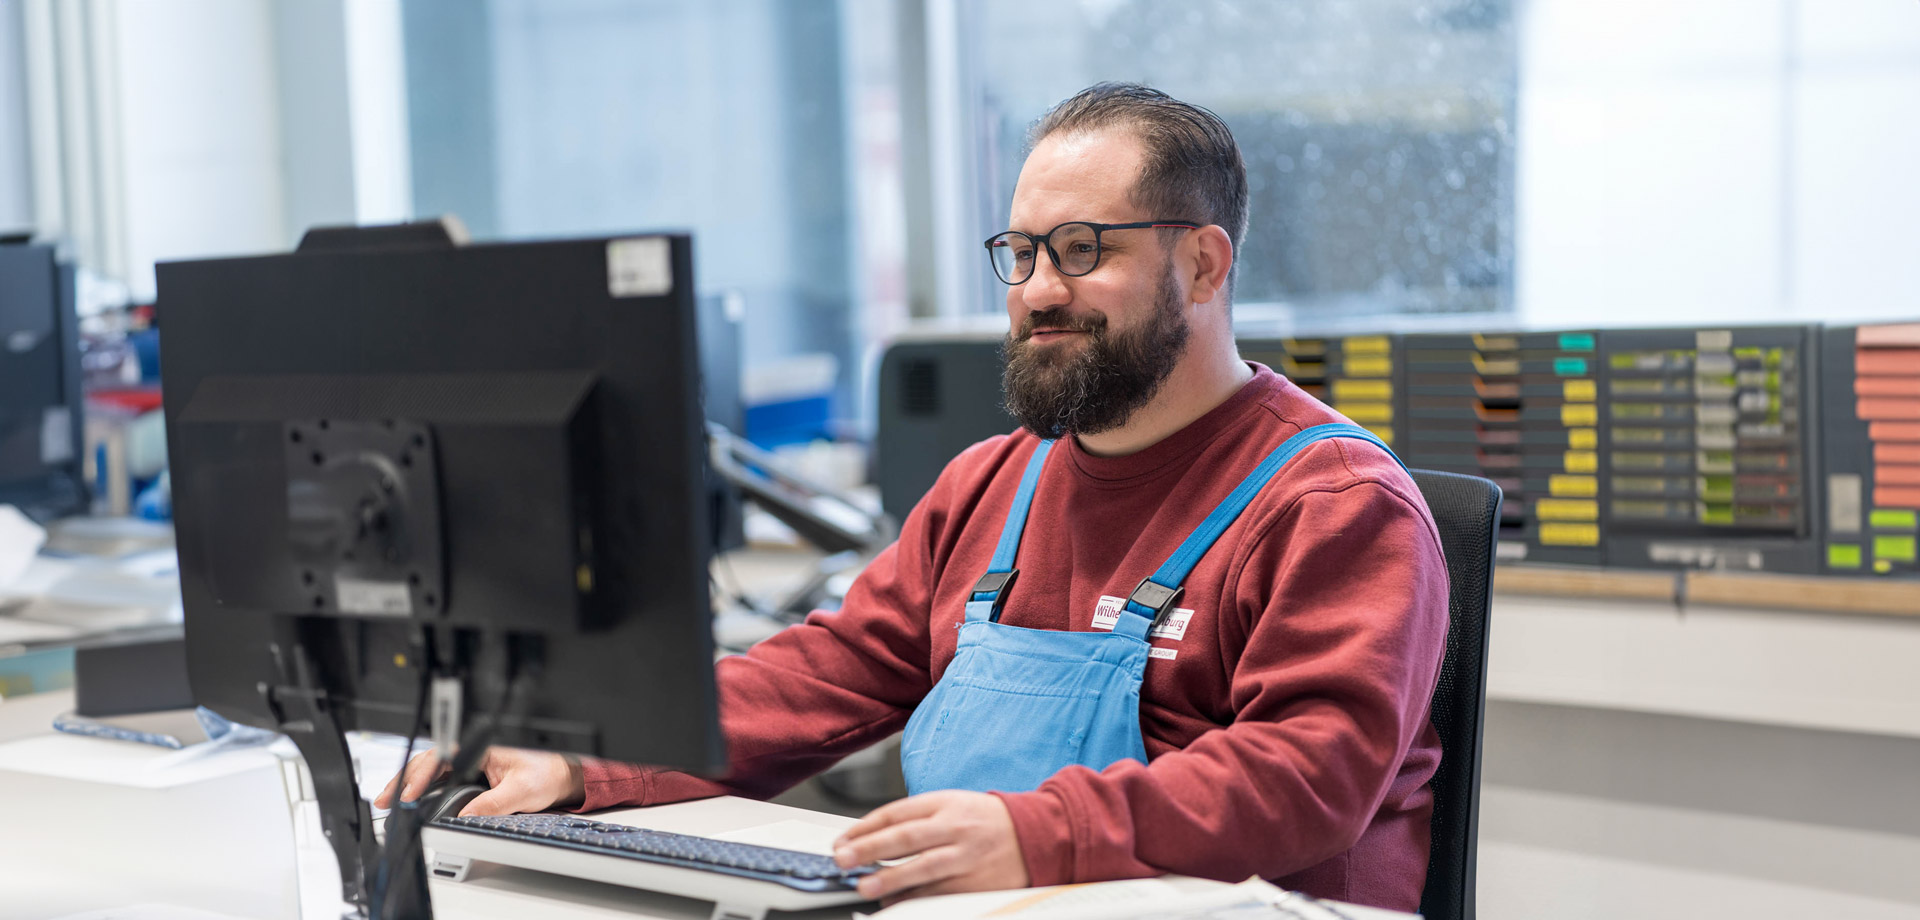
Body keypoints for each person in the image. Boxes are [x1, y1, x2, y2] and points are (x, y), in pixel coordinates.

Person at [379, 82, 1448, 912]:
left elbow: (1308, 773)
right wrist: (590, 757)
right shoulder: (992, 484)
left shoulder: (1335, 504)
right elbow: (823, 676)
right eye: (1021, 252)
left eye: (1081, 250)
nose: (1037, 289)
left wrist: (1041, 832)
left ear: (1205, 265)